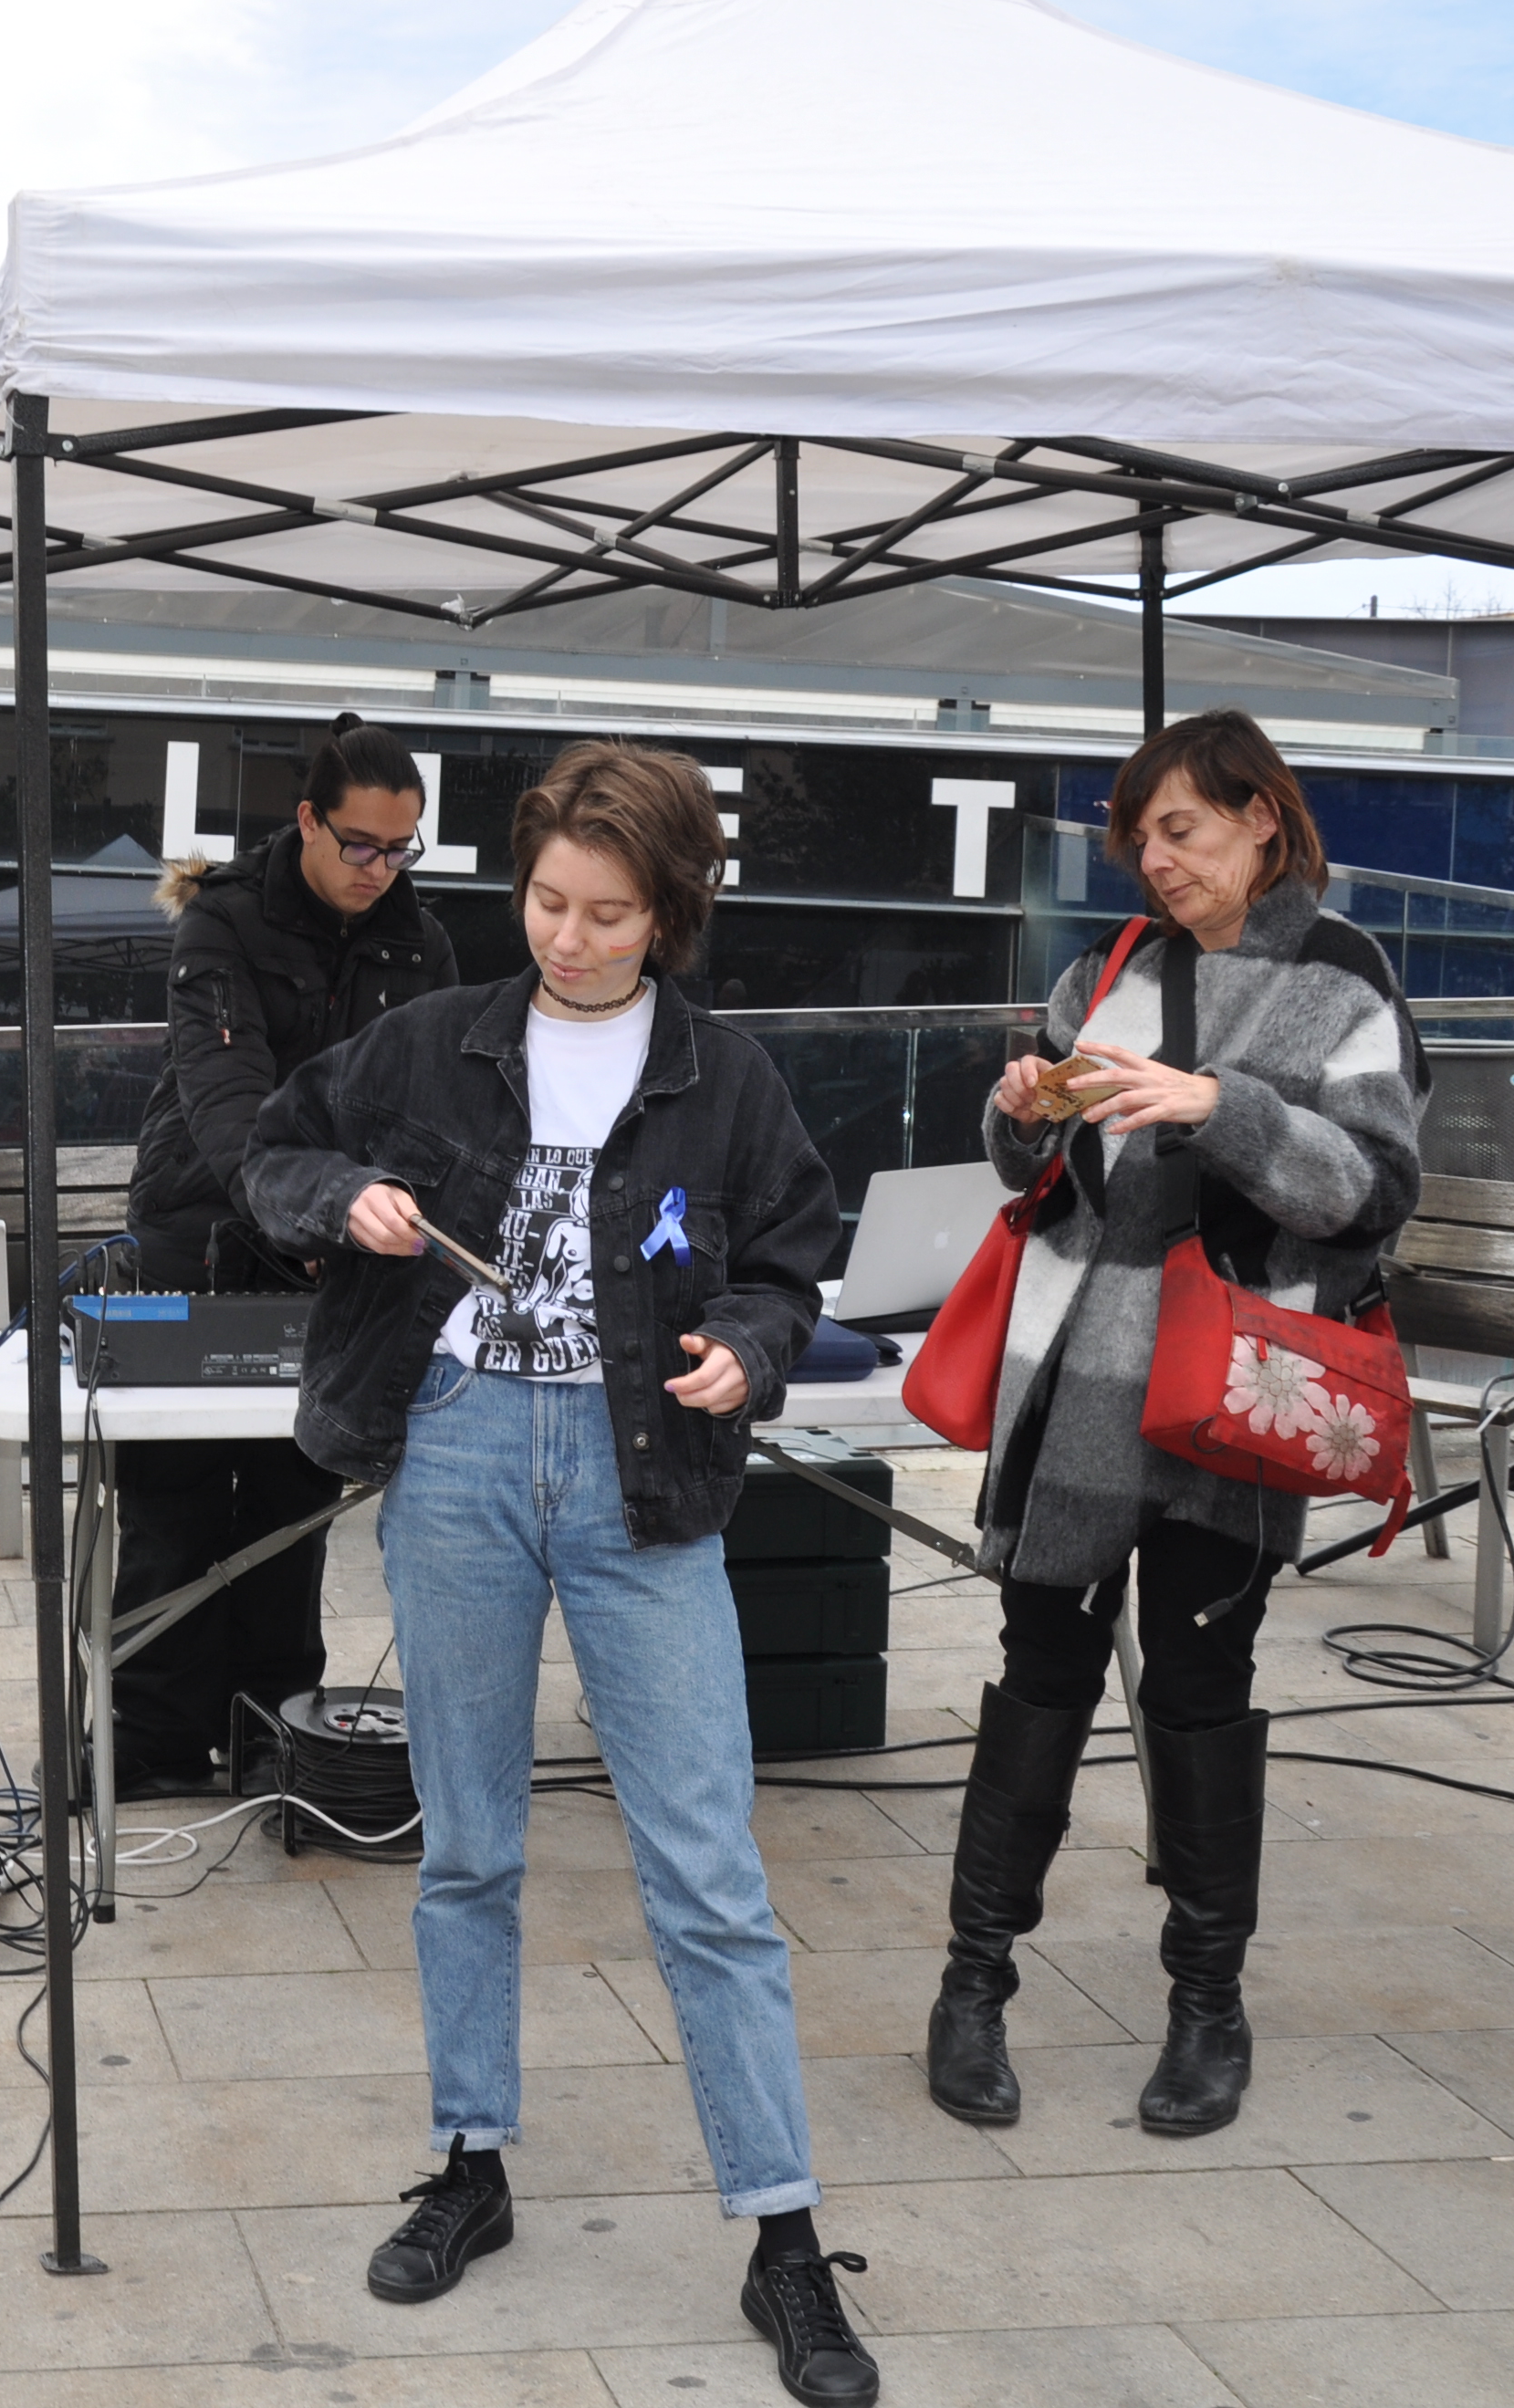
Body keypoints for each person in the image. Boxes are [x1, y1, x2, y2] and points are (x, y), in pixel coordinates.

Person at [245, 743, 876, 2408]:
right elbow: (273, 1154)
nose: (570, 940)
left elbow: (788, 1264)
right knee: (465, 1844)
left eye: (608, 914)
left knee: (707, 1869)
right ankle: (471, 2159)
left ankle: (784, 2230)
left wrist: (747, 1346)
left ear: (669, 913)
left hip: (639, 1469)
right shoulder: (430, 1040)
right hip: (453, 1448)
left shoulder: (726, 1076)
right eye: (546, 904)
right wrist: (349, 1199)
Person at [927, 709, 1423, 2142]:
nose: (1157, 861)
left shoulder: (1344, 977)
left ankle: (1208, 2007)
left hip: (1234, 1385)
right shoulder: (1107, 968)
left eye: (1183, 830)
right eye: (1140, 838)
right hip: (1078, 1377)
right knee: (1040, 1673)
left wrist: (1220, 1106)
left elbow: (1372, 1193)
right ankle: (972, 1987)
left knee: (1201, 1690)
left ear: (1264, 817)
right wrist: (1022, 1111)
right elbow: (1039, 1176)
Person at [114, 713, 459, 1794]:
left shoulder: (422, 944)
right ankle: (155, 1741)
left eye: (399, 849)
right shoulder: (219, 922)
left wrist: (364, 1217)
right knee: (169, 1507)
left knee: (291, 1503)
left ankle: (272, 1730)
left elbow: (432, 1107)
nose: (379, 868)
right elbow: (228, 1103)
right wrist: (310, 1215)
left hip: (334, 1246)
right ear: (307, 819)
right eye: (359, 844)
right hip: (199, 1233)